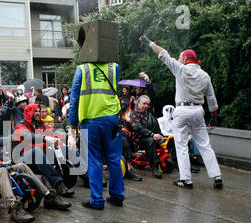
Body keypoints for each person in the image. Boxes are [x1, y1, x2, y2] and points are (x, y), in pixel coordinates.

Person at [0, 110, 70, 223]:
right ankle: (14, 208)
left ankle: (48, 196)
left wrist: (9, 105)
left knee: (21, 166)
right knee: (1, 171)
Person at [140, 35, 222, 189]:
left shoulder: (181, 69)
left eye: (179, 57)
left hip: (182, 110)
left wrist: (149, 42)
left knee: (181, 145)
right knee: (205, 144)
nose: (177, 59)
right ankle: (217, 177)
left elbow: (163, 54)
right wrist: (213, 118)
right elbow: (211, 98)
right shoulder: (205, 75)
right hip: (198, 110)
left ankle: (186, 180)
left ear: (184, 59)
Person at [68, 59, 125, 209]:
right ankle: (117, 196)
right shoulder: (114, 67)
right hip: (111, 118)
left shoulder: (82, 69)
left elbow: (74, 99)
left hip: (90, 120)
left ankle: (97, 200)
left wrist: (72, 123)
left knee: (94, 159)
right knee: (114, 159)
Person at [14, 104, 75, 198]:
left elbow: (52, 133)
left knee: (63, 148)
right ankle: (58, 184)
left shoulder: (41, 125)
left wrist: (66, 138)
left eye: (39, 111)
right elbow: (29, 137)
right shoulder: (20, 126)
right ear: (30, 113)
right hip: (22, 160)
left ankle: (86, 176)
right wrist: (45, 138)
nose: (39, 113)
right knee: (37, 150)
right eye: (36, 111)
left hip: (38, 157)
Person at [129, 95, 163, 179]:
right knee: (150, 140)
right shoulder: (134, 114)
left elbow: (156, 127)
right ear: (138, 103)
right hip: (138, 141)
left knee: (171, 140)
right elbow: (137, 127)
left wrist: (160, 136)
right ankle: (155, 167)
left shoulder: (149, 114)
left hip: (152, 137)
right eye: (144, 103)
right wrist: (152, 134)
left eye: (147, 104)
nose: (146, 106)